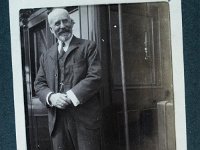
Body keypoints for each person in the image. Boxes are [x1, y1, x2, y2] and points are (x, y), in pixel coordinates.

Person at [34, 7, 102, 150]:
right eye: (57, 23)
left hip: (85, 121)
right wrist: (52, 97)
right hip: (57, 122)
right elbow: (39, 84)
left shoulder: (88, 46)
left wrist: (69, 96)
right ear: (52, 30)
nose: (62, 26)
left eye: (65, 21)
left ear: (72, 23)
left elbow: (95, 77)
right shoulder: (46, 56)